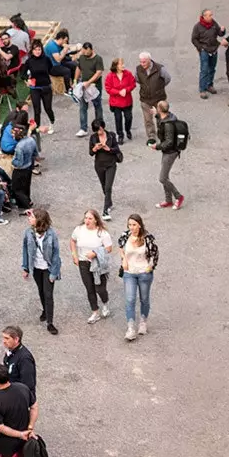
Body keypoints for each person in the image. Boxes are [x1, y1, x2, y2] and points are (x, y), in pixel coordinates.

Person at [118, 213, 159, 341]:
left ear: (139, 225)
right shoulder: (125, 236)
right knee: (130, 299)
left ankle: (143, 322)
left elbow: (154, 254)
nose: (131, 227)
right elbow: (120, 246)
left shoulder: (147, 238)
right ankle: (131, 328)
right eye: (129, 224)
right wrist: (123, 260)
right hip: (129, 273)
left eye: (134, 225)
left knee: (144, 299)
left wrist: (150, 267)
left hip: (143, 273)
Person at [21, 206, 61, 334]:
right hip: (36, 268)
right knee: (41, 291)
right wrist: (25, 267)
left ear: (39, 219)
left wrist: (54, 272)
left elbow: (56, 254)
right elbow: (25, 250)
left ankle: (50, 322)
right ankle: (45, 310)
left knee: (48, 295)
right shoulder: (28, 233)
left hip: (48, 268)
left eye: (32, 217)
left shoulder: (51, 234)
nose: (29, 219)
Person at [69, 207, 113, 322]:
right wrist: (75, 255)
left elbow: (108, 248)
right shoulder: (79, 229)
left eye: (90, 218)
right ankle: (95, 312)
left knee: (100, 288)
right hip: (84, 263)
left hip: (98, 264)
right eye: (86, 218)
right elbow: (73, 241)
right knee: (89, 288)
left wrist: (95, 253)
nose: (87, 221)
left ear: (95, 220)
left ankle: (105, 303)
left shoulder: (102, 233)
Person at [155, 101, 187, 210]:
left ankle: (178, 196)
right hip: (169, 151)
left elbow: (168, 142)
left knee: (162, 178)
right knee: (165, 176)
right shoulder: (170, 117)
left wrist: (157, 146)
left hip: (170, 152)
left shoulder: (168, 124)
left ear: (160, 109)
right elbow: (161, 121)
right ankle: (168, 200)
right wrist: (156, 114)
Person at [135, 54, 171, 146]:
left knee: (161, 117)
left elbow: (167, 79)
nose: (142, 64)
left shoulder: (160, 69)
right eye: (140, 62)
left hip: (159, 99)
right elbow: (138, 80)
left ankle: (163, 135)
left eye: (144, 62)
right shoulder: (138, 69)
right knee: (148, 120)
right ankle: (151, 137)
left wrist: (158, 88)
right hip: (145, 99)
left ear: (149, 60)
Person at [89, 119, 121, 221]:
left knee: (108, 187)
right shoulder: (93, 138)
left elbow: (117, 149)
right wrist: (95, 148)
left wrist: (109, 149)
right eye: (97, 130)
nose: (100, 132)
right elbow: (90, 152)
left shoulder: (111, 135)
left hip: (111, 164)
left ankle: (105, 210)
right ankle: (109, 202)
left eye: (101, 129)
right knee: (104, 185)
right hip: (99, 165)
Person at [72, 42, 103, 135]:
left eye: (87, 52)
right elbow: (79, 68)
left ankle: (99, 126)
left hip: (94, 86)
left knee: (97, 106)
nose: (85, 54)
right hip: (84, 85)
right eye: (84, 52)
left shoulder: (98, 59)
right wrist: (75, 80)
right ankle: (83, 128)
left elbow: (98, 73)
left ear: (91, 50)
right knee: (82, 107)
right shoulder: (82, 57)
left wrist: (89, 82)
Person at [8, 120, 39, 213]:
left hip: (20, 170)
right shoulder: (31, 139)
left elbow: (19, 162)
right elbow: (35, 153)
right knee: (26, 186)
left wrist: (12, 161)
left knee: (16, 189)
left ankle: (27, 206)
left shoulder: (19, 147)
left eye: (13, 134)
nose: (13, 136)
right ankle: (27, 201)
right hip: (28, 167)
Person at [191, 10, 222, 98]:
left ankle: (209, 85)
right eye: (209, 15)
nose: (211, 17)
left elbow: (219, 33)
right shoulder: (197, 26)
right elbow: (194, 39)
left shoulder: (214, 24)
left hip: (214, 49)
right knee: (204, 70)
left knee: (212, 68)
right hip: (204, 50)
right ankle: (202, 89)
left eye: (211, 15)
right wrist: (200, 48)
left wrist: (223, 30)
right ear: (204, 16)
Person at [104, 58, 136, 141]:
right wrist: (118, 92)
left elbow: (133, 84)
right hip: (116, 103)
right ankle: (120, 135)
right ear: (116, 66)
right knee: (118, 119)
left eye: (123, 64)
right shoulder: (110, 76)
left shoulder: (128, 74)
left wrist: (126, 90)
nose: (123, 65)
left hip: (127, 101)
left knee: (129, 118)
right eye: (121, 64)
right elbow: (108, 88)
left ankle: (128, 130)